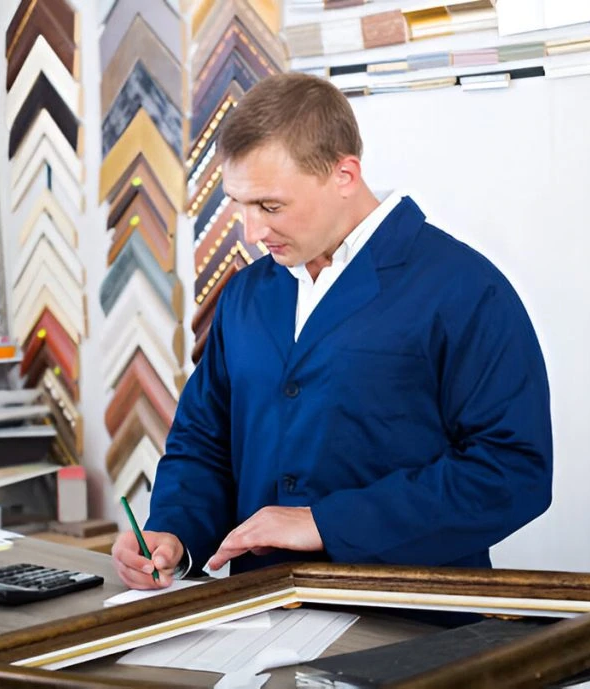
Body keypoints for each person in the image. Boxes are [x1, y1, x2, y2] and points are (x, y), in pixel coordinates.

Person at [111, 72, 553, 590]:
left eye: (270, 206)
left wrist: (325, 523)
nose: (251, 233)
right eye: (240, 205)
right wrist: (175, 533)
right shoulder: (247, 295)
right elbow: (204, 442)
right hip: (260, 610)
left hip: (412, 620)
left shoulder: (465, 289)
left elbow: (511, 471)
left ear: (344, 175)